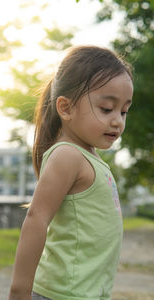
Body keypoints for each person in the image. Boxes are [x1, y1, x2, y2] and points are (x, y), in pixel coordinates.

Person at [9, 45, 133, 300]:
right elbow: (36, 219)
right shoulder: (67, 156)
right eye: (107, 109)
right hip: (63, 293)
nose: (118, 121)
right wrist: (19, 291)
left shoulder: (89, 158)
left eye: (124, 111)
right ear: (65, 108)